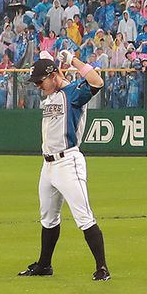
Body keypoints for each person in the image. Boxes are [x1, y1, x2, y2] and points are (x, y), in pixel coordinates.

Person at [18, 49, 111, 281]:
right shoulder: (53, 94)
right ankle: (44, 265)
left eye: (40, 81)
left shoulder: (73, 93)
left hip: (68, 161)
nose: (38, 86)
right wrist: (47, 60)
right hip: (48, 165)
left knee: (84, 216)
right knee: (48, 218)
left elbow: (97, 82)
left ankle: (102, 268)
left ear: (52, 76)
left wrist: (72, 60)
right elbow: (53, 74)